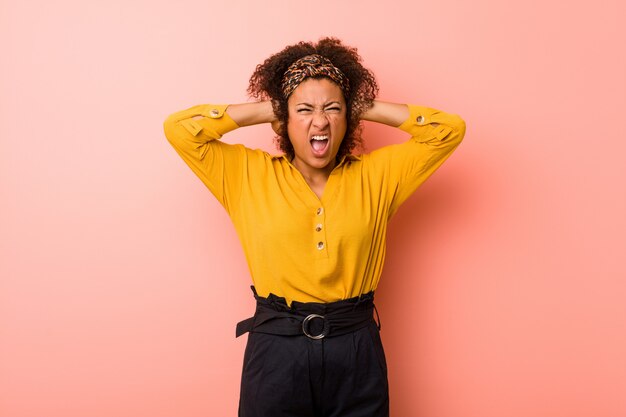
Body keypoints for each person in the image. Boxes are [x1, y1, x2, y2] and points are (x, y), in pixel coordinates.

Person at [164, 37, 465, 417]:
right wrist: (269, 107)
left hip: (355, 345)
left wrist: (359, 105)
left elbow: (448, 129)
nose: (319, 121)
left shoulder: (379, 175)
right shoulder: (245, 174)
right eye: (303, 110)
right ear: (283, 120)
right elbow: (179, 129)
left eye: (333, 110)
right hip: (277, 348)